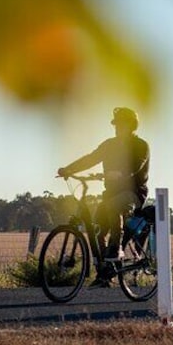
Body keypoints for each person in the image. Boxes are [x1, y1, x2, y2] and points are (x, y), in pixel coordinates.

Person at [57, 107, 150, 282]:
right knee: (98, 230)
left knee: (113, 206)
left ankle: (116, 248)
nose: (116, 127)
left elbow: (136, 165)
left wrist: (120, 173)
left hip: (133, 193)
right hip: (111, 194)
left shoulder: (141, 145)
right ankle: (105, 273)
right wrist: (69, 169)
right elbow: (90, 158)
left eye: (121, 124)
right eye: (115, 124)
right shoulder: (109, 144)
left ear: (131, 126)